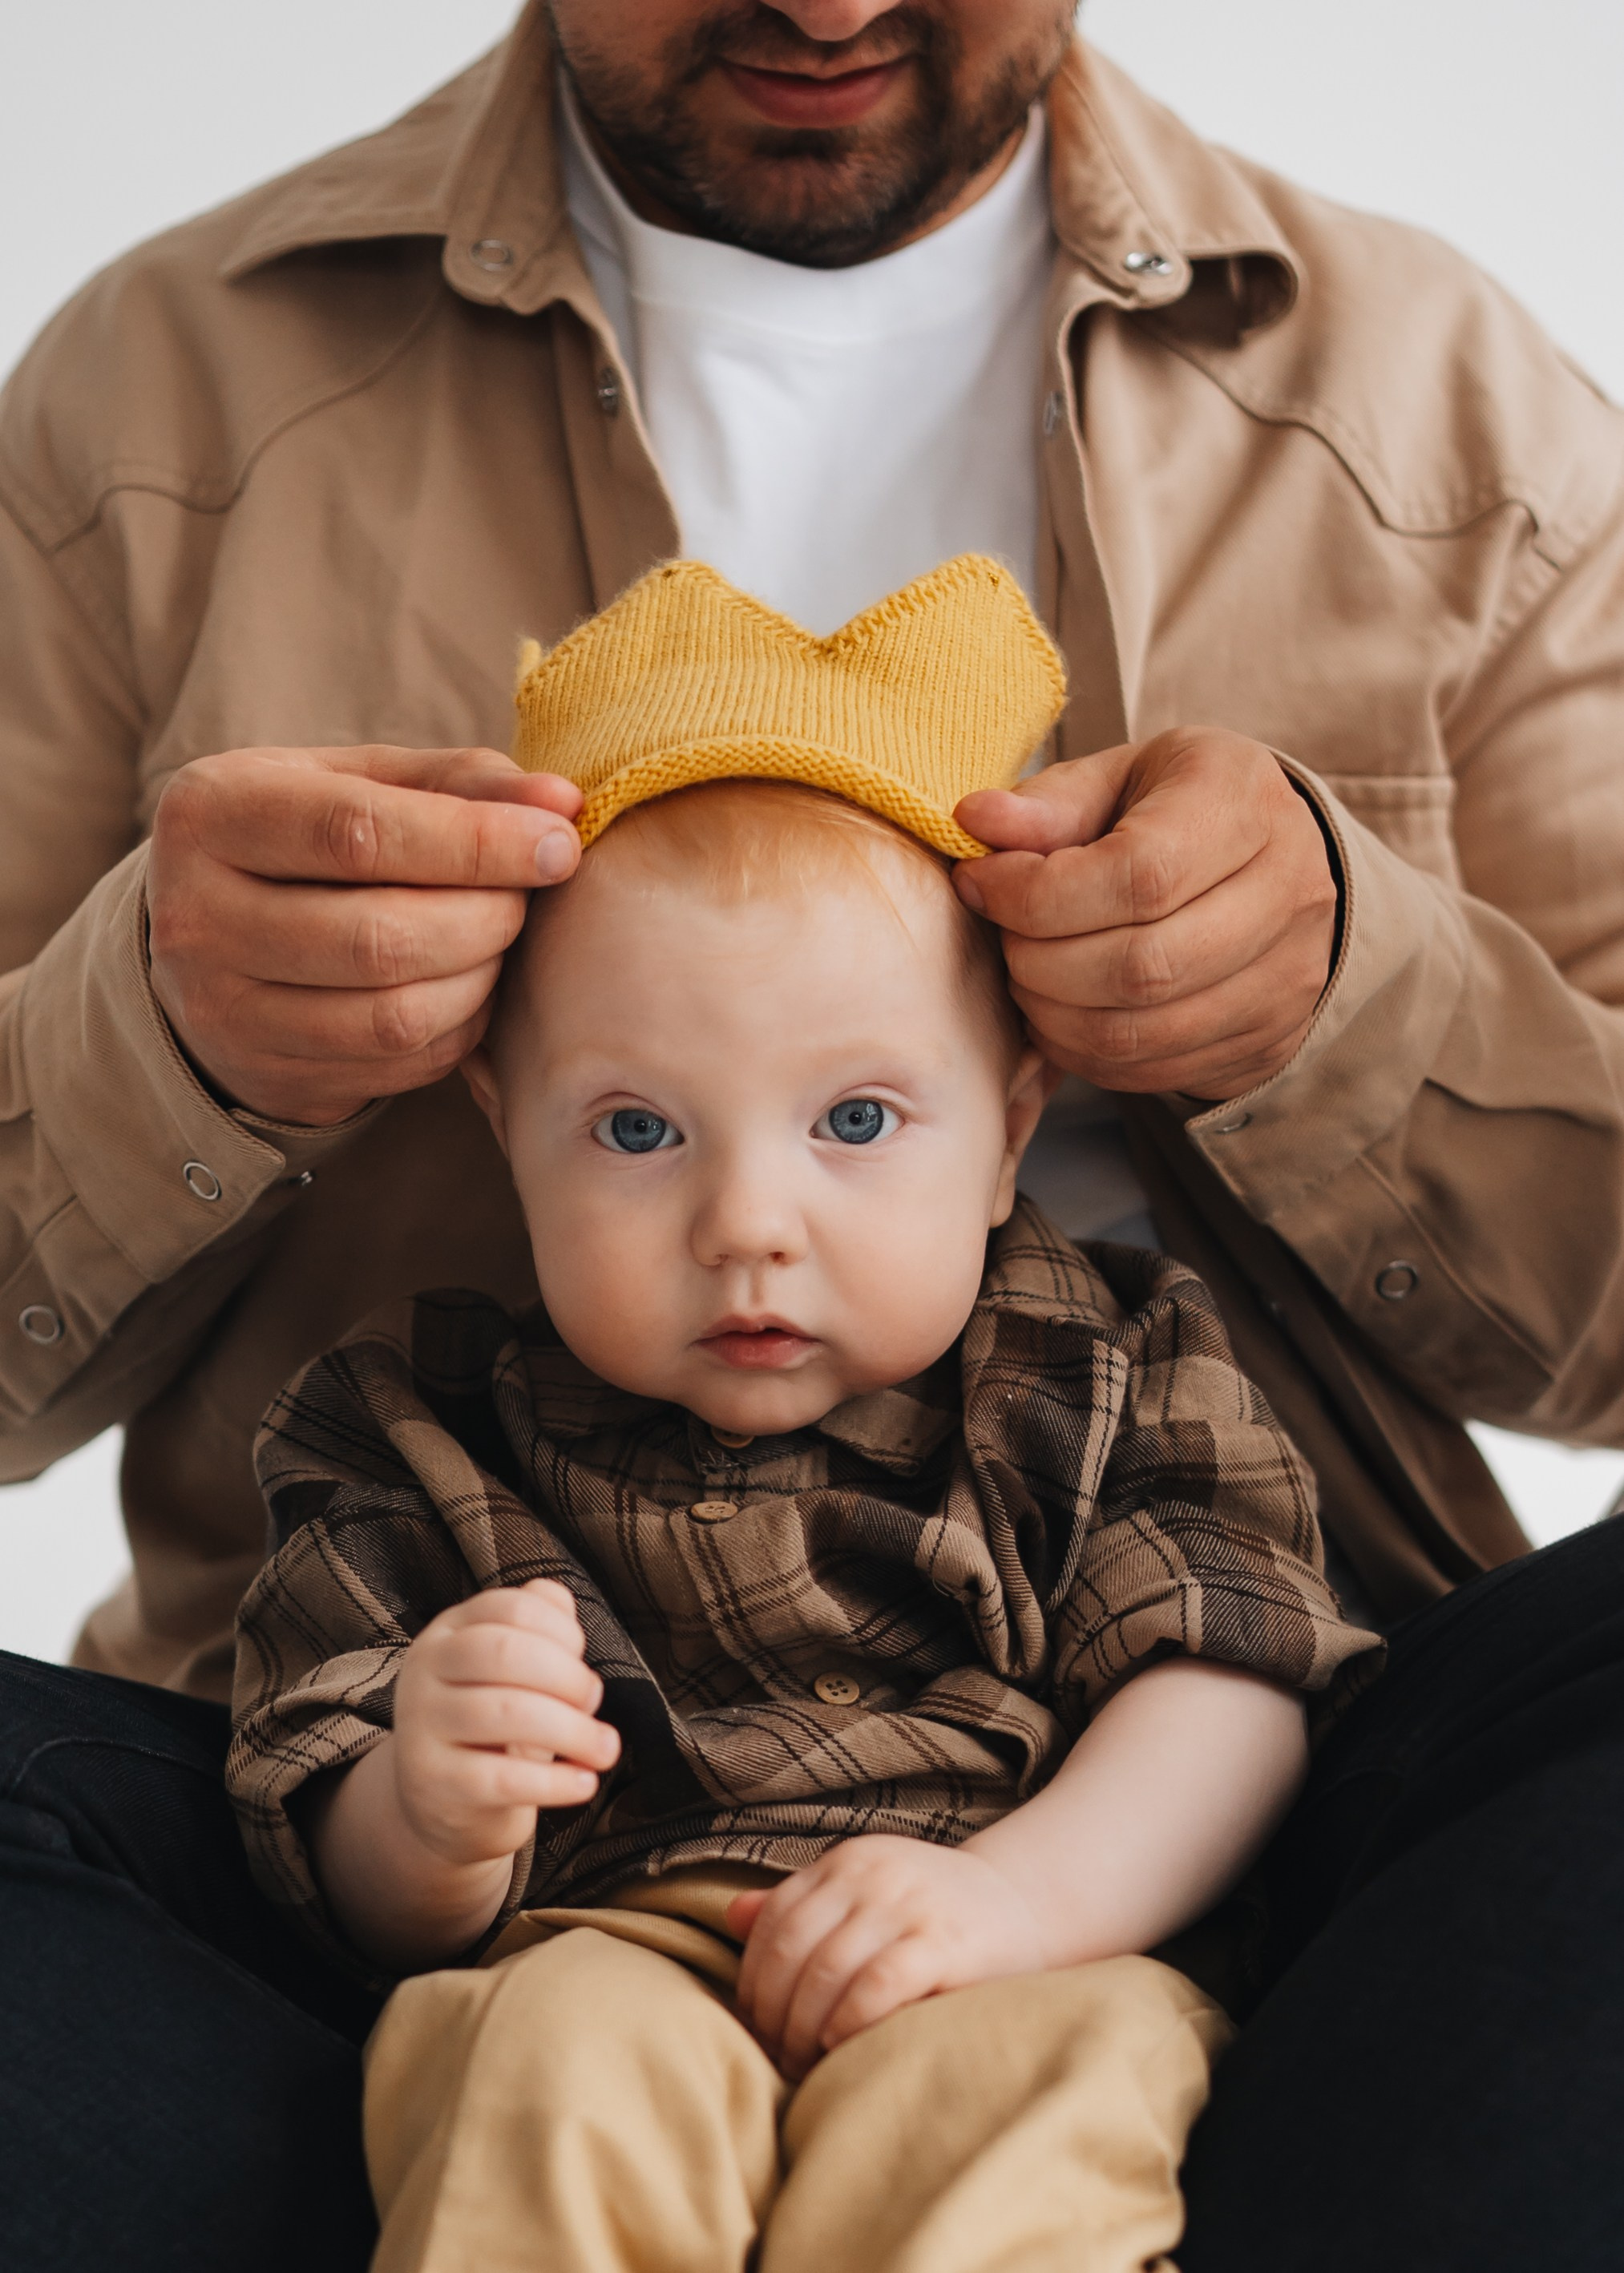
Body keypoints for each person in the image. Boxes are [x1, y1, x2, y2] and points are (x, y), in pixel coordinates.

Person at [0, 2, 1621, 2268]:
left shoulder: (1444, 414)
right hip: (404, 1898)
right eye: (645, 1127)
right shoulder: (151, 402)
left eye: (860, 1117)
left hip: (1224, 1819)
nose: (831, 1)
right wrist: (153, 1038)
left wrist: (1356, 999)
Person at [226, 555, 1380, 2273]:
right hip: (604, 1937)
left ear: (1005, 1128)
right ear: (500, 1123)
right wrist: (425, 1802)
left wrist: (1018, 1900)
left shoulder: (1109, 1362)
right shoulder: (409, 1426)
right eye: (635, 1130)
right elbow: (341, 1869)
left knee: (1045, 2090)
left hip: (1016, 1922)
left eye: (852, 1117)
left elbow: (1225, 1688)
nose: (745, 1219)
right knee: (526, 2066)